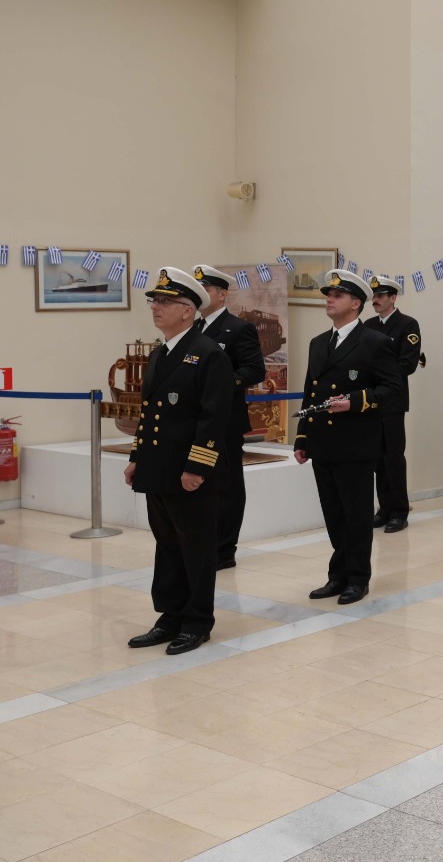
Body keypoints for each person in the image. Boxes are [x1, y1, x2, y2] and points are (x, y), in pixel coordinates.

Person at [123, 268, 235, 655]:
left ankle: (197, 621)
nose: (156, 307)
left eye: (165, 301)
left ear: (188, 310)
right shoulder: (160, 353)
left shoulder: (209, 354)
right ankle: (170, 616)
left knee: (197, 548)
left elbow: (213, 419)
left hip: (190, 472)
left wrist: (197, 468)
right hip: (159, 468)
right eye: (154, 301)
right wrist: (137, 457)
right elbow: (149, 414)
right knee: (167, 545)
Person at [293, 270, 401, 605]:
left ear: (355, 303)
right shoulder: (318, 343)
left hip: (355, 442)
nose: (329, 299)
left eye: (337, 295)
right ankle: (337, 575)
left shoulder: (374, 342)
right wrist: (302, 437)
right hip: (323, 442)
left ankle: (358, 577)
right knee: (334, 514)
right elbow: (311, 392)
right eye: (328, 295)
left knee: (356, 515)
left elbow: (392, 389)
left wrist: (356, 401)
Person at [192, 264, 265, 570]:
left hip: (226, 421)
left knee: (228, 486)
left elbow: (254, 370)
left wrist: (220, 384)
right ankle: (203, 543)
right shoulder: (192, 328)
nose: (201, 294)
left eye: (207, 289)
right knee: (198, 482)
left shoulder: (238, 328)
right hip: (196, 421)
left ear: (222, 295)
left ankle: (225, 549)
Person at [367, 275, 422, 533]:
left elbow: (407, 364)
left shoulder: (407, 324)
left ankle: (399, 510)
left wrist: (382, 381)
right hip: (370, 401)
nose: (375, 300)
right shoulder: (368, 325)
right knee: (377, 458)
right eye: (374, 296)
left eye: (380, 296)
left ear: (393, 298)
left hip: (392, 400)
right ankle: (384, 508)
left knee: (393, 457)